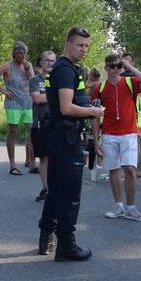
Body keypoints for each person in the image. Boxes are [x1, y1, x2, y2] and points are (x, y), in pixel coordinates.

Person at [37, 26, 104, 258]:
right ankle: (66, 244)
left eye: (87, 45)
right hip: (65, 138)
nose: (84, 49)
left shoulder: (64, 69)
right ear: (68, 44)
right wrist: (93, 113)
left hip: (59, 136)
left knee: (56, 191)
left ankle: (46, 237)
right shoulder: (65, 70)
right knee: (70, 193)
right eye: (79, 45)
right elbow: (66, 107)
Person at [90, 53, 141, 222]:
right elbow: (95, 117)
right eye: (112, 66)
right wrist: (96, 141)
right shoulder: (99, 88)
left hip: (129, 134)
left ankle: (131, 208)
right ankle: (119, 205)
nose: (116, 69)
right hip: (109, 135)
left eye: (119, 66)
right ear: (106, 68)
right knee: (113, 171)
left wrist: (130, 67)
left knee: (131, 170)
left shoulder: (130, 82)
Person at [0, 41, 34, 175]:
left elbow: (33, 82)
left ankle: (32, 163)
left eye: (24, 53)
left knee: (33, 132)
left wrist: (28, 69)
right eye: (19, 52)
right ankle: (12, 165)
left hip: (28, 104)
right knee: (13, 131)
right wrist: (3, 91)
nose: (22, 55)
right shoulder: (8, 66)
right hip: (13, 104)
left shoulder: (28, 66)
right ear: (14, 53)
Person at [29, 50, 55, 202]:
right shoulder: (34, 80)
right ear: (41, 62)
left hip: (56, 123)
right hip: (40, 123)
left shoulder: (58, 79)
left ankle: (54, 188)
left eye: (52, 61)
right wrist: (57, 95)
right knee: (44, 158)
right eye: (46, 60)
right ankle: (46, 188)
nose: (49, 63)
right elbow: (37, 98)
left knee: (55, 157)